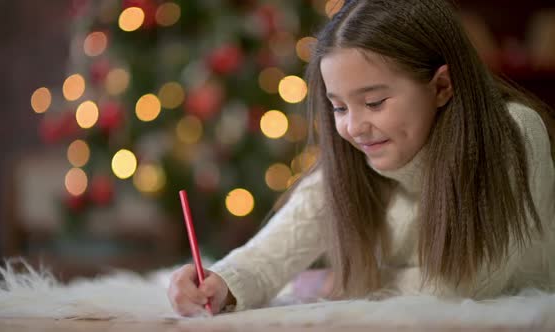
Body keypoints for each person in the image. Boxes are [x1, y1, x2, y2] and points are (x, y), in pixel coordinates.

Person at [167, 0, 555, 316]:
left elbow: (469, 288)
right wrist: (222, 283)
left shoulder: (513, 132)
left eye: (374, 102)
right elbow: (267, 255)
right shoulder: (356, 161)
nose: (354, 127)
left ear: (441, 86)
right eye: (338, 108)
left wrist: (340, 283)